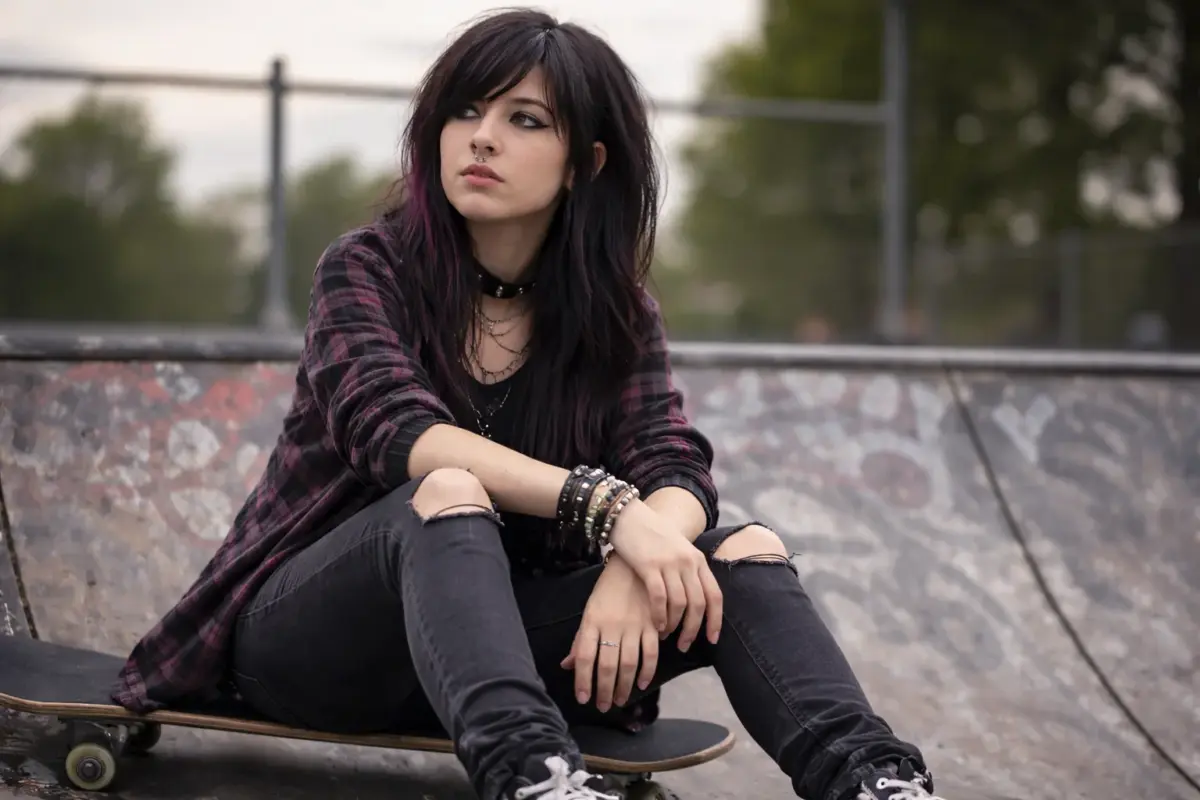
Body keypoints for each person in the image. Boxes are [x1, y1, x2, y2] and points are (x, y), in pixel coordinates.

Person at [112, 9, 946, 800]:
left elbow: (674, 463)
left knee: (746, 550)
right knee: (446, 494)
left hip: (504, 650)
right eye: (465, 110)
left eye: (525, 120)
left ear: (585, 163)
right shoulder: (365, 269)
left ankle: (871, 779)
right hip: (318, 645)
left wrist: (631, 561)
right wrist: (607, 509)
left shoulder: (615, 311)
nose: (481, 136)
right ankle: (534, 779)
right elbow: (397, 434)